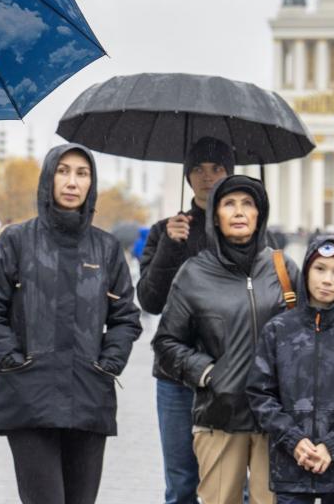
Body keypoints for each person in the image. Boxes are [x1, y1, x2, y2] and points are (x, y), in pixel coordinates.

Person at [0, 144, 142, 504]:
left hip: (89, 396)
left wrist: (108, 364)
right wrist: (12, 360)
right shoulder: (16, 241)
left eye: (82, 173)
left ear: (91, 184)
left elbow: (126, 316)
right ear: (48, 178)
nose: (72, 181)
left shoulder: (106, 249)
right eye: (63, 171)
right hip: (30, 398)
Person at [153, 175, 298, 504]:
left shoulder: (282, 268)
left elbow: (305, 330)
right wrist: (207, 373)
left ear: (259, 214)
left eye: (248, 204)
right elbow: (166, 343)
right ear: (215, 215)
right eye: (229, 203)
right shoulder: (194, 273)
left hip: (274, 419)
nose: (239, 211)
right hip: (219, 417)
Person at [247, 234, 334, 504]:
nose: (327, 280)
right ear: (306, 271)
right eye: (320, 269)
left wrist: (333, 446)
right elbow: (260, 393)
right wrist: (293, 439)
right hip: (291, 463)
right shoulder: (278, 330)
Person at [137, 136, 232, 504]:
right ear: (187, 177)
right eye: (198, 169)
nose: (208, 177)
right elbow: (150, 300)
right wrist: (169, 248)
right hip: (175, 376)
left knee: (231, 483)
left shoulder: (244, 230)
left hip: (228, 375)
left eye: (217, 168)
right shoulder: (166, 230)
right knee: (181, 485)